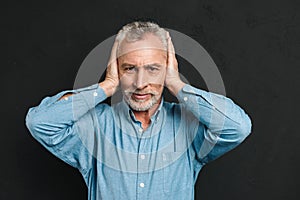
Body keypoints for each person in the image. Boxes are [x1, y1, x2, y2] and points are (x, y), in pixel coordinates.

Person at [25, 21, 252, 200]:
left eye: (153, 69)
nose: (140, 82)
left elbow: (238, 127)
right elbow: (40, 122)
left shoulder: (188, 126)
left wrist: (176, 84)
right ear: (117, 69)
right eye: (129, 68)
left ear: (168, 68)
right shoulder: (96, 126)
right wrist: (107, 86)